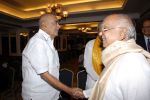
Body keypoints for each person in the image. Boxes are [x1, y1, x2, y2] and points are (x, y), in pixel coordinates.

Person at [89, 14, 150, 100]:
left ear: (122, 34)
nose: (100, 33)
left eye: (105, 29)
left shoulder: (133, 62)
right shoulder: (119, 56)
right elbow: (108, 89)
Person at [22, 14, 82, 100]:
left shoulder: (48, 42)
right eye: (55, 23)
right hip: (39, 96)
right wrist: (69, 90)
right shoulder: (38, 42)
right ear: (44, 25)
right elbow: (44, 75)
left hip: (51, 94)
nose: (59, 26)